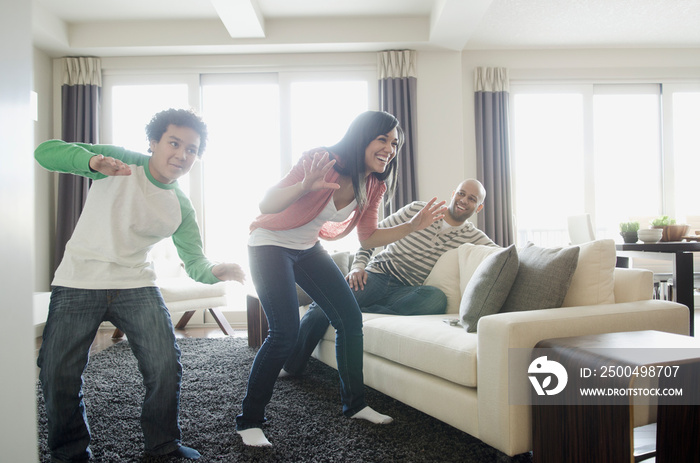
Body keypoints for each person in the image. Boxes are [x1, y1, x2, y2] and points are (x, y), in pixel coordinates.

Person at [35, 108, 245, 462]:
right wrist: (91, 163)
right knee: (58, 373)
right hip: (79, 280)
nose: (181, 155)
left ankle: (162, 445)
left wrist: (216, 270)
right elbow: (45, 152)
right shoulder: (118, 162)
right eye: (174, 143)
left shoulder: (180, 205)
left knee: (165, 365)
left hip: (136, 284)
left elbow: (195, 262)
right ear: (153, 142)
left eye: (191, 149)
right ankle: (69, 453)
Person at [237, 110, 447, 447]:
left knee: (350, 320)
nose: (390, 149)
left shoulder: (374, 183)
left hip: (307, 248)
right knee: (284, 333)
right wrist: (305, 185)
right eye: (383, 139)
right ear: (362, 136)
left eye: (395, 144)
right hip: (269, 244)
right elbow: (267, 202)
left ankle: (356, 405)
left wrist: (412, 227)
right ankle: (249, 421)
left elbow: (368, 237)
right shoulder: (320, 159)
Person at [282, 179, 497, 377]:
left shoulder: (473, 235)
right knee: (325, 304)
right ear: (453, 194)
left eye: (472, 199)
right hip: (378, 274)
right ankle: (291, 365)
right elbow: (370, 236)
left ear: (478, 207)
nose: (464, 200)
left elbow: (503, 254)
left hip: (406, 290)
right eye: (461, 193)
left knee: (436, 298)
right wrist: (358, 265)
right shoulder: (417, 209)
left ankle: (357, 309)